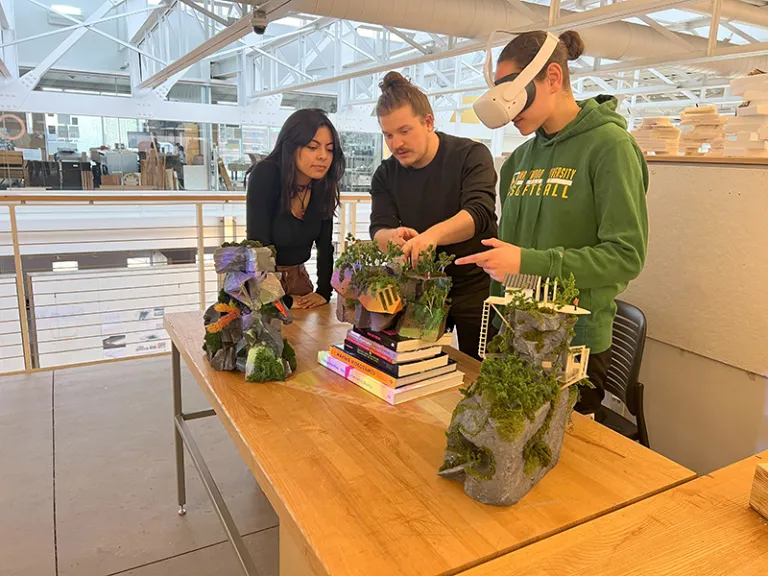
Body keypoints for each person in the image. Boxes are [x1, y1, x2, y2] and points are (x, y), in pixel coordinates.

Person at [456, 30, 649, 415]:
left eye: (513, 89)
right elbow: (512, 251)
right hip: (512, 334)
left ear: (554, 78)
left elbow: (625, 256)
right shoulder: (516, 162)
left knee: (565, 464)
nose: (508, 109)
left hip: (573, 343)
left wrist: (530, 262)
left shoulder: (610, 148)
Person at [369, 72, 498, 359]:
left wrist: (432, 236)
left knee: (480, 370)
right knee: (413, 368)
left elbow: (478, 214)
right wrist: (393, 238)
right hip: (420, 288)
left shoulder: (471, 155)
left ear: (428, 122)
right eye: (388, 134)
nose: (396, 143)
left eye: (404, 131)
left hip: (475, 287)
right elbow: (379, 228)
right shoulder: (386, 174)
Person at [247, 109, 345, 309]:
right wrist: (279, 300)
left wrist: (324, 292)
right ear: (291, 146)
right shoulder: (266, 174)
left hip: (299, 281)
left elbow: (325, 246)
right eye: (312, 147)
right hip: (261, 286)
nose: (323, 156)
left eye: (329, 149)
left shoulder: (322, 184)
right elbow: (258, 246)